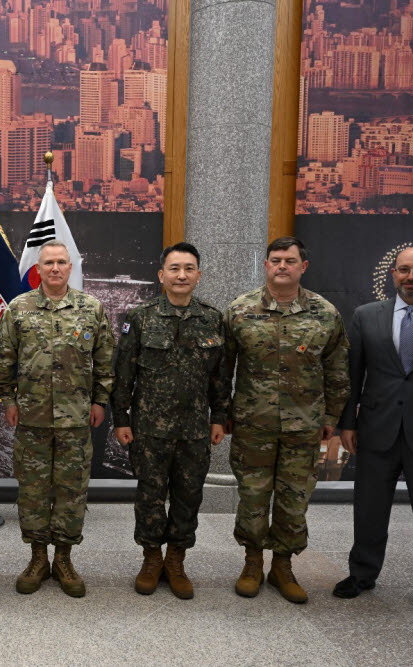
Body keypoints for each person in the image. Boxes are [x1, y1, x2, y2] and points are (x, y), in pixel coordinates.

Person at [334, 246, 413, 625]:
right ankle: (362, 573)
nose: (411, 276)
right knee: (369, 508)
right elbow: (352, 375)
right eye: (404, 269)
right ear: (393, 273)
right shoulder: (365, 316)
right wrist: (348, 424)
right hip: (377, 429)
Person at [223, 236, 349, 603]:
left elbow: (338, 368)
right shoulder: (240, 310)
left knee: (294, 500)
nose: (282, 266)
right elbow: (222, 368)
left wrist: (332, 415)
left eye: (289, 261)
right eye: (275, 260)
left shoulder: (325, 313)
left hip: (304, 426)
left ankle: (282, 565)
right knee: (253, 497)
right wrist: (223, 412)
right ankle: (251, 562)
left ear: (302, 267)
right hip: (253, 425)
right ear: (266, 265)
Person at [0, 240, 115, 598]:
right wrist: (9, 400)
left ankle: (63, 558)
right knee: (32, 493)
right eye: (49, 263)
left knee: (71, 492)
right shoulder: (18, 308)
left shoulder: (91, 308)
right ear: (39, 267)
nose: (56, 268)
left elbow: (106, 361)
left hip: (76, 419)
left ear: (71, 267)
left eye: (62, 262)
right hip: (31, 418)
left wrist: (101, 401)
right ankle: (37, 558)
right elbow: (4, 360)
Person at [111, 242, 230, 599]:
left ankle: (176, 560)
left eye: (188, 269)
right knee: (149, 496)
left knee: (188, 496)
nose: (181, 275)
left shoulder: (212, 318)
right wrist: (121, 419)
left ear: (198, 275)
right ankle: (151, 558)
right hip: (150, 429)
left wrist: (219, 417)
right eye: (174, 269)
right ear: (162, 275)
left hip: (194, 429)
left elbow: (220, 376)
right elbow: (124, 375)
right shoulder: (140, 317)